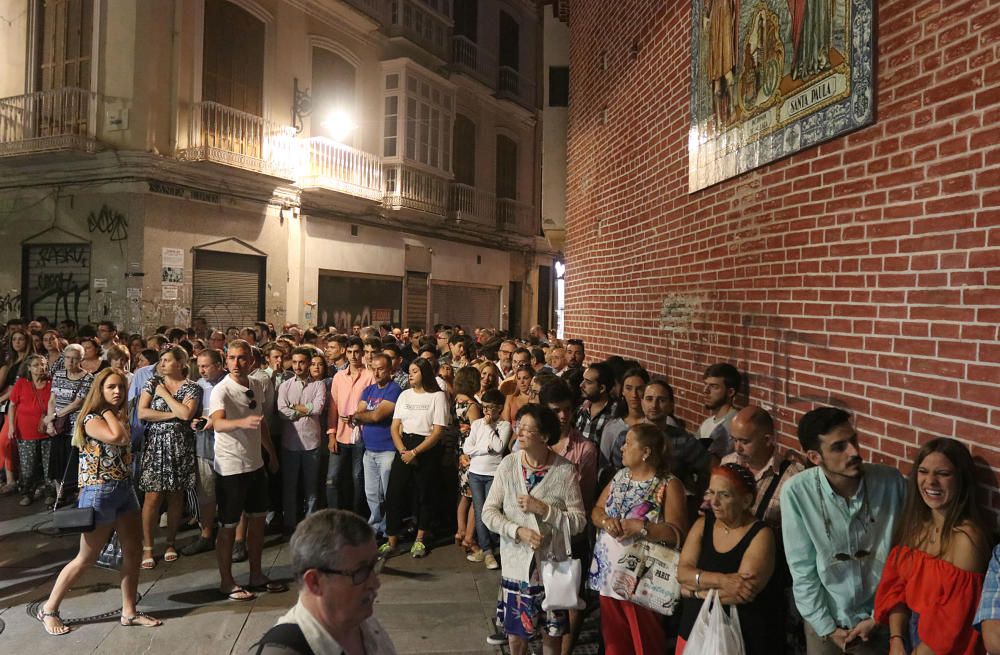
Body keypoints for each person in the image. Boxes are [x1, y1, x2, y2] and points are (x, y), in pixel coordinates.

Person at [36, 368, 162, 636]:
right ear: (99, 391)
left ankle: (129, 611)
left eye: (120, 387)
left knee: (133, 551)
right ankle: (49, 609)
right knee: (86, 557)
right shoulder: (93, 417)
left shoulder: (118, 414)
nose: (117, 392)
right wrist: (105, 410)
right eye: (110, 388)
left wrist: (115, 413)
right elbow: (119, 437)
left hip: (123, 489)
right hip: (99, 491)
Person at [780, 407, 905, 654]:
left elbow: (906, 557)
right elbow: (802, 568)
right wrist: (825, 627)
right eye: (839, 447)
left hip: (881, 620)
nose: (855, 452)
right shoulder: (797, 492)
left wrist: (877, 615)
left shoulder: (891, 483)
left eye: (854, 441)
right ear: (815, 457)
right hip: (826, 622)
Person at [482, 404, 587, 655]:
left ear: (545, 436)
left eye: (528, 428)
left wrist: (545, 510)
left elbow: (579, 521)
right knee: (516, 637)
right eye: (520, 426)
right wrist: (516, 530)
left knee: (551, 635)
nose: (520, 432)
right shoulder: (509, 465)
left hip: (550, 568)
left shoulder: (565, 471)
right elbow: (489, 512)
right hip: (516, 568)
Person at [874, 438, 990, 655]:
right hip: (906, 634)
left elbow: (953, 627)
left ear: (961, 480)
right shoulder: (915, 526)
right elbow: (895, 590)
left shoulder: (967, 539)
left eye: (943, 474)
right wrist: (896, 639)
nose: (930, 481)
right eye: (923, 471)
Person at [589, 423, 688, 655]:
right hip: (609, 574)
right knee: (615, 644)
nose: (622, 448)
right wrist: (605, 521)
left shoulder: (668, 484)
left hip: (643, 580)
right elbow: (596, 511)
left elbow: (678, 534)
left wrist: (642, 527)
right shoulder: (620, 476)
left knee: (644, 643)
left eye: (629, 443)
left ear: (646, 452)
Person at [251, 509, 397, 654]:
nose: (375, 583)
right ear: (314, 582)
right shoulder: (281, 651)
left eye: (374, 566)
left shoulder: (366, 626)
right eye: (360, 572)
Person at [676, 463, 782, 654]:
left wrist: (693, 592)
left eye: (724, 495)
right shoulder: (702, 525)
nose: (713, 502)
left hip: (736, 639)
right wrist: (722, 580)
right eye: (711, 492)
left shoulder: (761, 535)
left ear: (746, 500)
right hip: (694, 632)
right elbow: (682, 573)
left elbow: (740, 593)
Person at [209, 339, 283, 601]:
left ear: (251, 361)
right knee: (228, 525)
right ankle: (226, 581)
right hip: (230, 466)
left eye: (241, 358)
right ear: (226, 360)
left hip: (255, 464)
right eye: (231, 358)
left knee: (258, 520)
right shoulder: (221, 390)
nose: (236, 363)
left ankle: (256, 574)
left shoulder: (255, 384)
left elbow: (260, 422)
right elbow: (216, 423)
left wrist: (270, 453)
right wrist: (242, 422)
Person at [381, 357, 450, 558]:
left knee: (424, 494)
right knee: (394, 492)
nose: (410, 375)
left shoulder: (437, 396)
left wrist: (415, 452)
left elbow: (437, 431)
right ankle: (391, 539)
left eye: (415, 371)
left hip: (426, 448)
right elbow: (395, 427)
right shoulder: (404, 395)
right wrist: (403, 450)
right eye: (409, 371)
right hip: (404, 446)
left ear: (424, 373)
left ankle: (420, 538)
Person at [137, 346, 199, 568]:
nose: (161, 364)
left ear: (181, 363)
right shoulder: (151, 383)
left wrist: (164, 396)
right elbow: (142, 412)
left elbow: (187, 414)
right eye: (160, 360)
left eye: (166, 360)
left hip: (179, 447)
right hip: (155, 446)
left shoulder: (192, 387)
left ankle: (171, 542)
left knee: (175, 497)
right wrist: (175, 413)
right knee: (152, 498)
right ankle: (148, 547)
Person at [721, 405, 804, 534]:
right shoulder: (728, 463)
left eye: (744, 441)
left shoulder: (792, 478)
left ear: (767, 440)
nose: (737, 448)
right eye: (734, 440)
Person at [276, 347, 328, 535]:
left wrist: (294, 408)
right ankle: (290, 523)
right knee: (289, 486)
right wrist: (303, 410)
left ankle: (310, 524)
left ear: (308, 363)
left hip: (311, 442)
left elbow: (318, 408)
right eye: (295, 362)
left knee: (311, 487)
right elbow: (282, 412)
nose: (298, 366)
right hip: (290, 443)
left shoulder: (319, 385)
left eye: (302, 362)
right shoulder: (285, 386)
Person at [181, 348, 226, 556]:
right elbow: (192, 412)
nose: (201, 370)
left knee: (229, 494)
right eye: (199, 366)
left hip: (228, 447)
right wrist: (194, 422)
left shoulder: (230, 384)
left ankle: (231, 537)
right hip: (204, 445)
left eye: (205, 366)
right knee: (206, 494)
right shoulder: (198, 386)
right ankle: (207, 534)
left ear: (218, 365)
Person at [354, 353, 402, 539]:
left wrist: (364, 415)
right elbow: (358, 413)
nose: (377, 372)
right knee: (372, 493)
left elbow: (375, 416)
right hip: (369, 449)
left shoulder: (394, 390)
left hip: (387, 450)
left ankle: (389, 528)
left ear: (390, 369)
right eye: (373, 368)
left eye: (381, 368)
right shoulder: (368, 390)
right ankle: (375, 526)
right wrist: (363, 415)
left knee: (388, 493)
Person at [463, 388, 511, 571]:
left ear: (498, 409)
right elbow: (468, 448)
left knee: (492, 511)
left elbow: (499, 448)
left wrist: (491, 428)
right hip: (475, 472)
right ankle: (487, 551)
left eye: (490, 408)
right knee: (479, 511)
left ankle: (498, 544)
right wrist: (484, 448)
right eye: (484, 407)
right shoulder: (476, 424)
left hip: (493, 474)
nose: (486, 412)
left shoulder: (504, 426)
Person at [326, 336, 373, 514]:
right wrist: (331, 434)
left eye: (357, 352)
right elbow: (333, 408)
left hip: (362, 435)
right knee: (332, 479)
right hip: (340, 434)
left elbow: (373, 403)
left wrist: (360, 416)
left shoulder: (369, 376)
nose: (353, 356)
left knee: (358, 478)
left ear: (362, 353)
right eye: (350, 352)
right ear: (345, 353)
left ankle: (356, 515)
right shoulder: (338, 377)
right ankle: (333, 516)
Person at [45, 344, 93, 499]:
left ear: (81, 359)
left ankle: (80, 495)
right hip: (59, 425)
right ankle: (60, 494)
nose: (70, 361)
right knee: (58, 460)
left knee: (75, 463)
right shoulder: (58, 375)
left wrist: (55, 416)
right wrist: (50, 421)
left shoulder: (88, 378)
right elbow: (52, 400)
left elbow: (78, 403)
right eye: (68, 357)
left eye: (75, 358)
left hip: (75, 427)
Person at [10, 354, 53, 505]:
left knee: (49, 467)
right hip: (26, 432)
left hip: (48, 431)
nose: (40, 368)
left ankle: (50, 493)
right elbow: (12, 405)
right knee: (28, 467)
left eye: (43, 364)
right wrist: (11, 426)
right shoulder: (21, 383)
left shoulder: (51, 383)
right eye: (36, 365)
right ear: (29, 368)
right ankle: (27, 493)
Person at [453, 365, 483, 554]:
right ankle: (469, 536)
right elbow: (477, 431)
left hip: (460, 453)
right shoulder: (472, 406)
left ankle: (460, 530)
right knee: (474, 498)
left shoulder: (456, 401)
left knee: (464, 495)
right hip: (470, 455)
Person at [0, 328, 33, 493]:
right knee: (7, 443)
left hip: (22, 406)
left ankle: (13, 480)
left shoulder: (28, 361)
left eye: (21, 339)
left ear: (27, 342)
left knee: (5, 441)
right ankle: (10, 479)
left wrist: (1, 399)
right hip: (10, 406)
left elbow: (16, 389)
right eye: (14, 339)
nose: (17, 342)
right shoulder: (12, 361)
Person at [601, 367, 649, 478]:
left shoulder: (654, 424)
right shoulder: (612, 427)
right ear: (622, 391)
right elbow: (603, 466)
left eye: (639, 389)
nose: (634, 394)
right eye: (629, 388)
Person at [699, 362, 740, 463]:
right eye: (705, 385)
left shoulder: (735, 423)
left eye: (714, 386)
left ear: (730, 392)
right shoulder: (707, 423)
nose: (705, 390)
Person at [574, 362, 617, 447]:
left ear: (602, 388)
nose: (581, 385)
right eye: (583, 380)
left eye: (588, 382)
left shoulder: (615, 414)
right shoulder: (581, 408)